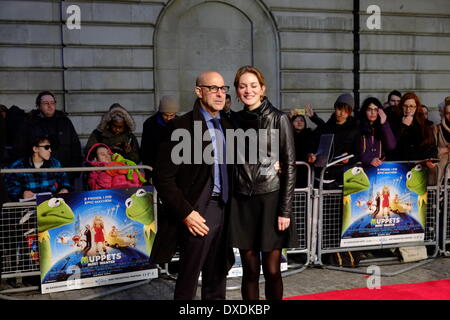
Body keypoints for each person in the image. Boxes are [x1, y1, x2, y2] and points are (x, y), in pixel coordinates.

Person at [151, 71, 235, 300]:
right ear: (199, 92)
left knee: (217, 277)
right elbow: (162, 177)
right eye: (213, 88)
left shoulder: (227, 124)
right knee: (189, 277)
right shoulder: (181, 126)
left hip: (224, 209)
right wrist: (186, 213)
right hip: (197, 211)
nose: (220, 94)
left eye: (223, 88)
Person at [229, 65, 297, 300]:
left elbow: (289, 167)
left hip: (271, 200)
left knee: (271, 270)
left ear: (263, 88)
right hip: (242, 202)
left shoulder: (279, 118)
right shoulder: (232, 120)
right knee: (249, 271)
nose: (248, 90)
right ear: (237, 91)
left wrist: (285, 210)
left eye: (253, 86)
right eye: (242, 86)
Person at [12, 92, 82, 182]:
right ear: (38, 106)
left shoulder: (65, 122)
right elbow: (19, 149)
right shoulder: (29, 124)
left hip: (65, 174)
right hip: (38, 176)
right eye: (46, 103)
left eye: (52, 103)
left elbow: (75, 146)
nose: (50, 106)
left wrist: (74, 170)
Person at [308, 93, 360, 189]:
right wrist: (312, 155)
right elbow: (314, 145)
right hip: (321, 176)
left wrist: (348, 158)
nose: (342, 113)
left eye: (346, 111)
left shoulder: (354, 130)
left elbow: (357, 153)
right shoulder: (326, 126)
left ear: (350, 112)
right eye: (340, 109)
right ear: (335, 108)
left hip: (341, 177)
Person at [4, 136, 71, 201]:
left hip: (51, 204)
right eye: (46, 147)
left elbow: (64, 179)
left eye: (50, 147)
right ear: (35, 149)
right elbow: (8, 185)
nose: (50, 150)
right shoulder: (17, 165)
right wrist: (21, 193)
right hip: (27, 207)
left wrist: (65, 189)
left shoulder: (55, 163)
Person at [389, 92, 437, 165]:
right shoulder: (394, 121)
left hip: (419, 166)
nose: (408, 109)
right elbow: (391, 144)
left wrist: (430, 159)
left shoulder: (424, 124)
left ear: (416, 108)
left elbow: (430, 145)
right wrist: (403, 126)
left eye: (411, 106)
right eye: (405, 106)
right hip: (399, 165)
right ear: (401, 106)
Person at [140, 96, 179, 180]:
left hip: (173, 166)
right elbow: (146, 150)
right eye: (165, 115)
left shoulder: (179, 123)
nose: (168, 118)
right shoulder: (149, 124)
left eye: (172, 115)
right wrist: (149, 173)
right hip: (155, 165)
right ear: (160, 112)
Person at [358, 97, 396, 168]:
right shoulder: (358, 127)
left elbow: (391, 146)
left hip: (381, 168)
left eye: (375, 110)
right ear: (364, 111)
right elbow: (356, 151)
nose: (373, 112)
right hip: (363, 168)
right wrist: (369, 160)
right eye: (369, 109)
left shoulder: (383, 126)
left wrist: (384, 123)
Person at [432, 98, 450, 184]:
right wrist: (444, 150)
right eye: (447, 113)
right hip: (441, 175)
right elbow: (430, 152)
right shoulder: (436, 129)